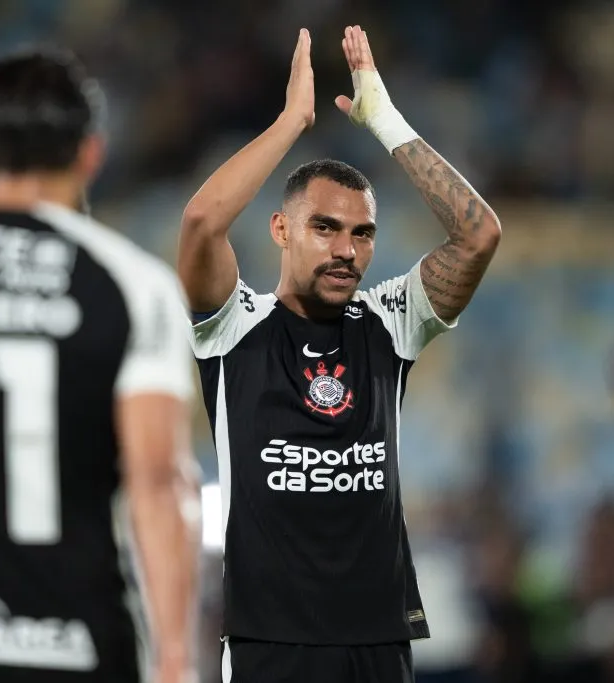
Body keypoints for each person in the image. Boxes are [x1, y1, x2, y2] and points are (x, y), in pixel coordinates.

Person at [178, 25, 501, 683]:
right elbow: (202, 222)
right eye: (324, 227)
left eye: (362, 233)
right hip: (274, 643)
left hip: (378, 639)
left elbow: (478, 235)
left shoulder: (389, 323)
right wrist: (292, 122)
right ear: (281, 229)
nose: (346, 250)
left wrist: (384, 120)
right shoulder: (232, 328)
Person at [0, 47, 202, 683]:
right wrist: (177, 663)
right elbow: (160, 482)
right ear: (89, 155)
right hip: (80, 646)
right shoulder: (130, 282)